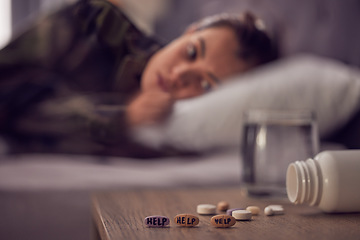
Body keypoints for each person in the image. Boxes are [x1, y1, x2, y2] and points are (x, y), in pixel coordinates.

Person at [0, 0, 278, 157]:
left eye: (205, 85)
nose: (180, 74)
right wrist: (122, 118)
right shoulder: (94, 21)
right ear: (188, 32)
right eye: (191, 52)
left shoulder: (178, 136)